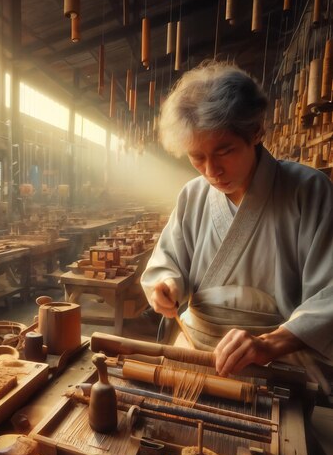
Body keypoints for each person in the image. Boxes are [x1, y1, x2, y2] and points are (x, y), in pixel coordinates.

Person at [140, 61, 333, 389]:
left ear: (256, 131)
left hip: (277, 358)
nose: (211, 170)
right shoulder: (193, 195)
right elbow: (167, 264)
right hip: (196, 349)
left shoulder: (309, 190)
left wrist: (268, 344)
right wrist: (167, 286)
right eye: (196, 157)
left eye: (224, 151)